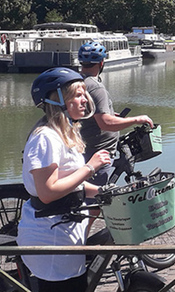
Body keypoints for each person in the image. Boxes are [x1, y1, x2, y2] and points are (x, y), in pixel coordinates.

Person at [17, 67, 112, 292]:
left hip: (65, 232)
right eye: (77, 95)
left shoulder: (64, 132)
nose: (84, 100)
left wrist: (102, 192)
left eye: (84, 94)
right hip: (51, 238)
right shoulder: (46, 138)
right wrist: (90, 167)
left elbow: (70, 181)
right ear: (58, 100)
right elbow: (48, 192)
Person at [78, 41, 154, 186]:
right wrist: (137, 119)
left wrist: (112, 114)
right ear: (101, 63)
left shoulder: (78, 81)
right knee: (96, 200)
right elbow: (105, 123)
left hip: (85, 149)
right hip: (98, 153)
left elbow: (91, 114)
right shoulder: (96, 88)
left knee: (88, 196)